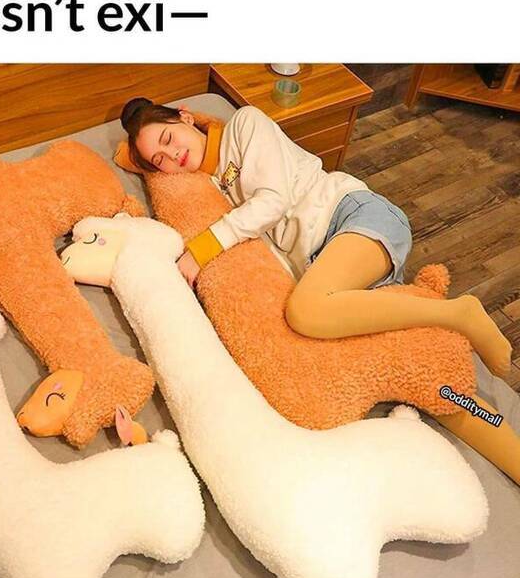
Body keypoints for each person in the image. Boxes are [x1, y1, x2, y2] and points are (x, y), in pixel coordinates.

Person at [119, 97, 511, 380]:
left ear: (186, 117)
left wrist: (202, 249)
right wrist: (133, 159)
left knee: (304, 311)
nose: (172, 156)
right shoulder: (209, 187)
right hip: (324, 263)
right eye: (159, 160)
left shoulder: (244, 124)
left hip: (351, 214)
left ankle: (459, 313)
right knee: (428, 374)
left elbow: (273, 202)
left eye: (168, 139)